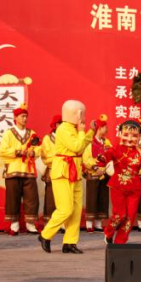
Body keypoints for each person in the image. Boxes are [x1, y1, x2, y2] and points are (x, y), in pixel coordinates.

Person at [39, 101, 94, 254]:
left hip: (75, 171)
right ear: (77, 114)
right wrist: (83, 132)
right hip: (63, 171)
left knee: (76, 210)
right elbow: (77, 146)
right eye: (82, 114)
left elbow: (81, 147)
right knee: (65, 209)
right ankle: (45, 234)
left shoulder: (74, 129)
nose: (83, 117)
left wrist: (91, 131)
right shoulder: (63, 129)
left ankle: (70, 242)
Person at [95, 120, 141, 245]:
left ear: (139, 136)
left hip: (135, 188)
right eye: (126, 135)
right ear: (120, 134)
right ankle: (109, 232)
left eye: (134, 136)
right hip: (118, 186)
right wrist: (100, 162)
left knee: (130, 218)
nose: (129, 138)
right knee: (120, 214)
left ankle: (120, 242)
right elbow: (104, 158)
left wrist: (138, 148)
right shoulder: (115, 149)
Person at [0, 105, 40, 235]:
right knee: (13, 197)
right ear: (15, 118)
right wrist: (19, 152)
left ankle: (30, 224)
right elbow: (3, 150)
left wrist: (34, 153)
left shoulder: (32, 133)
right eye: (22, 116)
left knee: (31, 198)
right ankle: (14, 224)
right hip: (13, 170)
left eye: (26, 116)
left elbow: (38, 148)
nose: (25, 118)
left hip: (29, 170)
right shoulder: (9, 133)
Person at [82, 115, 112, 232]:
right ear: (99, 128)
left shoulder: (107, 142)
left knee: (102, 198)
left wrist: (107, 167)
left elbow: (111, 154)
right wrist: (95, 167)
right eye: (105, 127)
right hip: (93, 173)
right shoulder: (90, 142)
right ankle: (89, 224)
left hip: (104, 173)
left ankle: (98, 223)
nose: (107, 129)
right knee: (92, 198)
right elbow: (86, 158)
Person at [39, 115, 62, 231]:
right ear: (55, 125)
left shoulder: (67, 138)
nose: (61, 126)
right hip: (53, 170)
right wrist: (60, 158)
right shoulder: (47, 138)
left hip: (65, 172)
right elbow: (45, 156)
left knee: (63, 198)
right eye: (59, 123)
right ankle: (49, 223)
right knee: (50, 198)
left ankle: (62, 223)